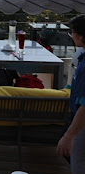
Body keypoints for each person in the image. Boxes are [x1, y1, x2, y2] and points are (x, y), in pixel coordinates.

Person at [57, 14, 85, 173]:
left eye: (72, 32)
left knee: (78, 163)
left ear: (81, 36)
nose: (71, 35)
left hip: (81, 125)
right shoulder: (81, 57)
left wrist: (69, 135)